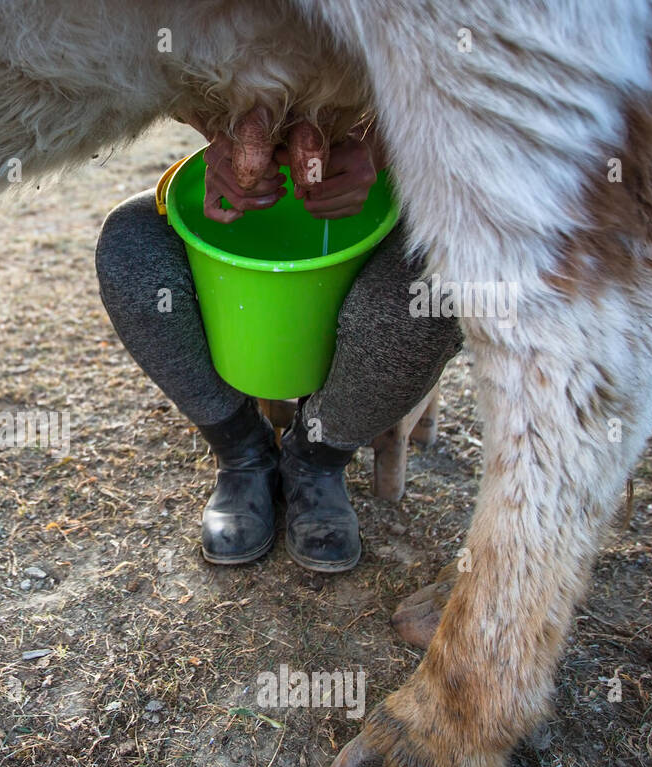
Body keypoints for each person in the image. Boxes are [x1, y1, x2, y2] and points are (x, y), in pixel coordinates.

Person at [95, 116, 461, 572]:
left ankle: (315, 458)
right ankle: (242, 450)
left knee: (440, 285)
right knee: (130, 244)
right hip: (251, 185)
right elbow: (156, 77)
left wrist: (380, 148)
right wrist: (221, 143)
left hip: (379, 195)